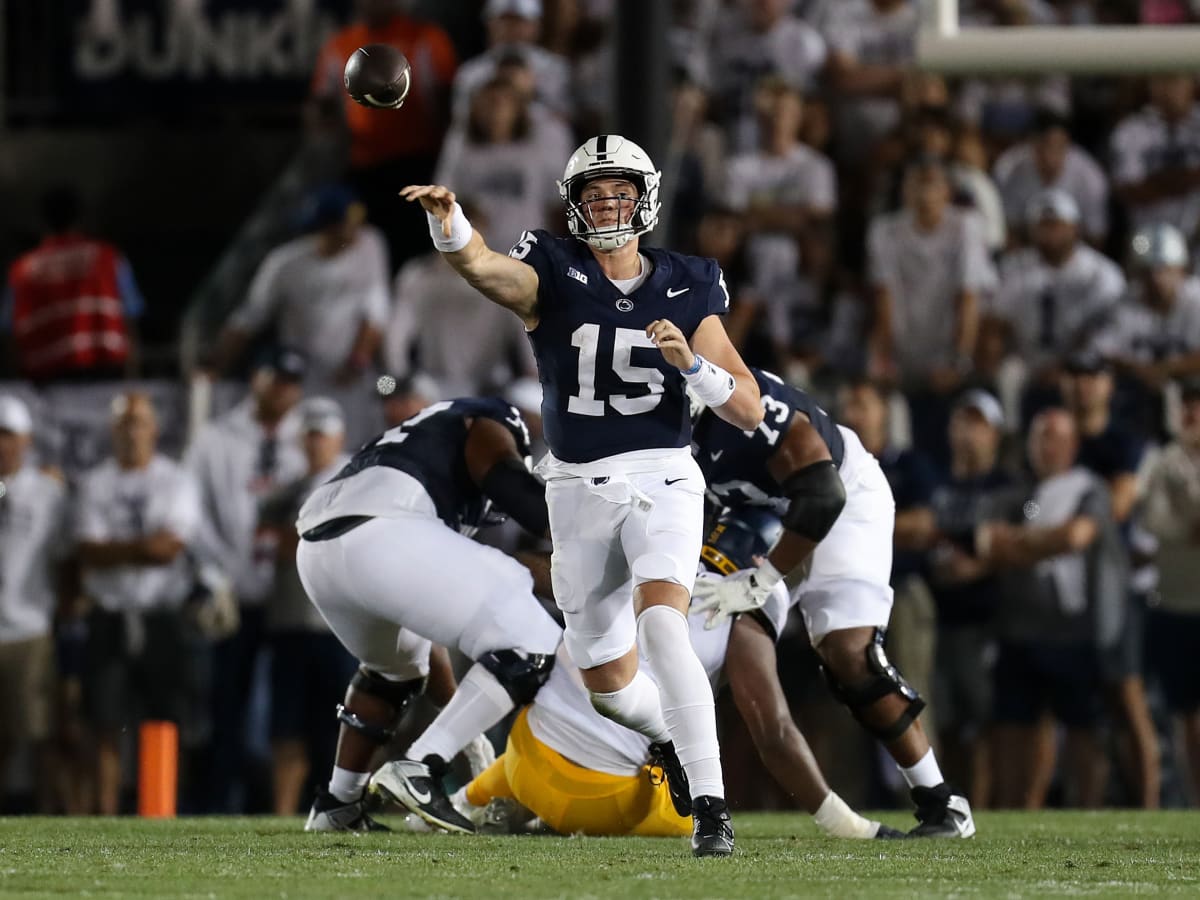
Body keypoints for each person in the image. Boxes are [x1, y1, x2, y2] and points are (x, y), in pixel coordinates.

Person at [400, 132, 764, 857]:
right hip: (575, 490)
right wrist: (453, 227)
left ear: (645, 199)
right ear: (573, 205)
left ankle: (714, 808)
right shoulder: (555, 269)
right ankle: (665, 735)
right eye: (593, 195)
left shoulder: (689, 283)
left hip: (663, 474)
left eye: (619, 193)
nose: (606, 206)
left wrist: (694, 367)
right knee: (606, 683)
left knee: (663, 625)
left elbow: (748, 409)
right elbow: (485, 271)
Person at [458, 505, 904, 841]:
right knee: (687, 792)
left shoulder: (648, 551)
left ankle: (475, 798)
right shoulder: (750, 600)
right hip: (597, 800)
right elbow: (772, 729)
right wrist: (842, 821)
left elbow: (540, 572)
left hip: (522, 749)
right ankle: (541, 813)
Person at [689, 367, 976, 838]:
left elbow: (823, 495)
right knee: (715, 633)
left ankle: (942, 801)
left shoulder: (747, 407)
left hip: (842, 500)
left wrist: (763, 578)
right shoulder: (657, 426)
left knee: (850, 655)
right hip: (757, 515)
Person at [297, 397, 561, 834]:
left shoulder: (414, 450)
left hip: (320, 550)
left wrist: (464, 725)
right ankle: (422, 766)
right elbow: (503, 473)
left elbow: (427, 616)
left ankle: (337, 805)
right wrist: (570, 527)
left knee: (393, 670)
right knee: (532, 641)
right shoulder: (492, 419)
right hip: (383, 529)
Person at [978, 409, 1128, 809]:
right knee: (1013, 729)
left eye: (1058, 437)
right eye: (1041, 436)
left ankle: (1089, 812)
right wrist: (1034, 542)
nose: (1048, 446)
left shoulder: (1088, 489)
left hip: (1072, 631)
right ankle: (1014, 816)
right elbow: (986, 544)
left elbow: (1077, 536)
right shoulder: (1015, 493)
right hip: (1016, 629)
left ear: (1073, 445)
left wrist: (1019, 544)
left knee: (1082, 729)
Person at [185, 347, 308, 812]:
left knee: (288, 714)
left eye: (292, 382)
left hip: (292, 599)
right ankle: (221, 803)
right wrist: (216, 575)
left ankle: (283, 806)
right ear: (256, 379)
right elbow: (192, 514)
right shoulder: (216, 438)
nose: (284, 390)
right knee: (225, 707)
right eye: (276, 379)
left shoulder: (308, 436)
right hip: (235, 593)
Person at [74, 392, 202, 814]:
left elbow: (170, 550)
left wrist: (117, 550)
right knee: (104, 720)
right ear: (113, 431)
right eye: (124, 423)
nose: (132, 432)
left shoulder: (175, 479)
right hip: (109, 612)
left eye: (139, 422)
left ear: (154, 428)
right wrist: (143, 547)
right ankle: (107, 812)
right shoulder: (96, 482)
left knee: (164, 716)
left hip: (161, 612)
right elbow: (89, 552)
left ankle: (160, 808)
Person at [257, 398, 358, 816]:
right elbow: (266, 539)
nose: (317, 443)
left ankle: (350, 806)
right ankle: (285, 811)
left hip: (341, 625)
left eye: (323, 435)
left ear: (339, 437)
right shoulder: (293, 486)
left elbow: (328, 540)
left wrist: (292, 538)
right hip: (294, 622)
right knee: (289, 728)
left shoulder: (355, 479)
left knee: (350, 725)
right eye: (311, 435)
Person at [0, 396, 67, 813]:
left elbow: (66, 558)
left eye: (7, 435)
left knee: (41, 735)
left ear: (26, 439)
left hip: (28, 627)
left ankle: (49, 819)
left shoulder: (48, 492)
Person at [4, 186, 144, 383]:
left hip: (45, 383)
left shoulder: (22, 270)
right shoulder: (107, 258)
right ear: (81, 218)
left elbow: (10, 336)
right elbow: (129, 319)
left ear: (43, 221)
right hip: (104, 373)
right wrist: (133, 381)